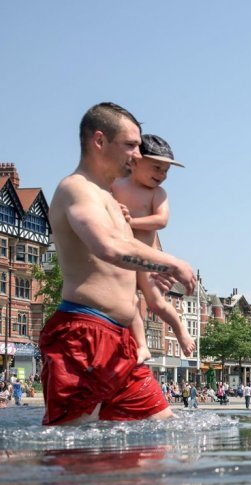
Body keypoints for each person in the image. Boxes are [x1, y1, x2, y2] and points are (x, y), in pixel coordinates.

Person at [39, 102, 196, 425]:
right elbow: (106, 246)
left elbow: (128, 247)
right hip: (84, 335)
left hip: (122, 341)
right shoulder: (76, 189)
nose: (137, 155)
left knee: (163, 434)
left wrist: (152, 266)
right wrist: (172, 263)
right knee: (72, 450)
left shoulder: (110, 198)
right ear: (99, 141)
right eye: (130, 145)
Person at [111, 134, 195, 363]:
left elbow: (161, 221)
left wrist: (131, 222)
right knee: (130, 300)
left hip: (147, 259)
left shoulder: (157, 193)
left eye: (166, 171)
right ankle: (142, 345)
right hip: (123, 257)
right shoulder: (116, 184)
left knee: (156, 302)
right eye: (156, 167)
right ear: (135, 160)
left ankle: (179, 328)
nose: (161, 175)